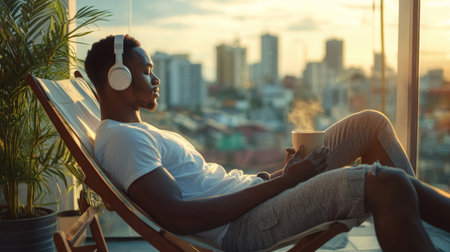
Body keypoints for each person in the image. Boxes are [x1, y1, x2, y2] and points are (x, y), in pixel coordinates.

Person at [85, 35, 450, 252]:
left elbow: (200, 190)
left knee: (370, 125)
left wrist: (277, 176)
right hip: (245, 227)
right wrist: (284, 182)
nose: (156, 78)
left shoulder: (136, 133)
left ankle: (416, 223)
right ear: (116, 77)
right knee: (387, 184)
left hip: (260, 195)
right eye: (147, 70)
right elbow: (179, 216)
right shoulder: (122, 140)